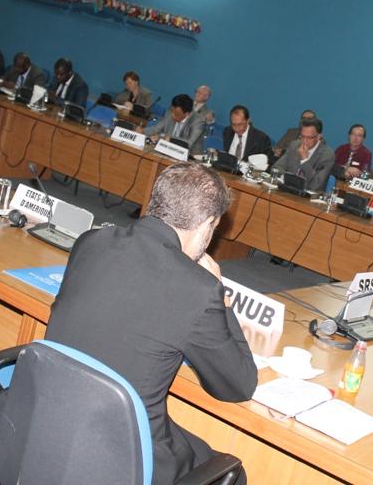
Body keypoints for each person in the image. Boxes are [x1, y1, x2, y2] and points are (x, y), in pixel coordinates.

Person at [44, 162, 257, 484]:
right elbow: (238, 385)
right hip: (122, 452)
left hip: (48, 413)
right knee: (233, 474)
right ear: (206, 225)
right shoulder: (199, 289)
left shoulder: (91, 241)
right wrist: (222, 299)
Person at [272, 116, 335, 192]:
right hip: (286, 189)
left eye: (309, 138)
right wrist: (288, 179)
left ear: (319, 137)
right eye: (302, 136)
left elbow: (316, 185)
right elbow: (276, 167)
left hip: (307, 196)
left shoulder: (327, 155)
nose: (305, 141)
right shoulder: (294, 145)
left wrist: (304, 160)